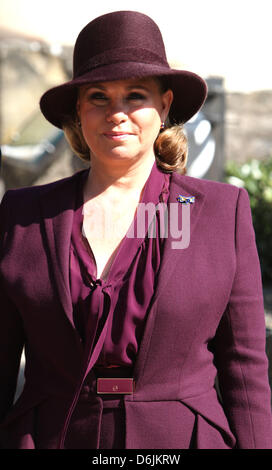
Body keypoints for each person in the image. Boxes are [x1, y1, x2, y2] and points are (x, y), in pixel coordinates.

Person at [0, 10, 271, 450]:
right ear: (78, 111)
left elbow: (244, 367)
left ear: (164, 106)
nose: (117, 114)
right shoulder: (25, 215)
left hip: (178, 444)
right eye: (99, 97)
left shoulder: (214, 212)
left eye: (135, 96)